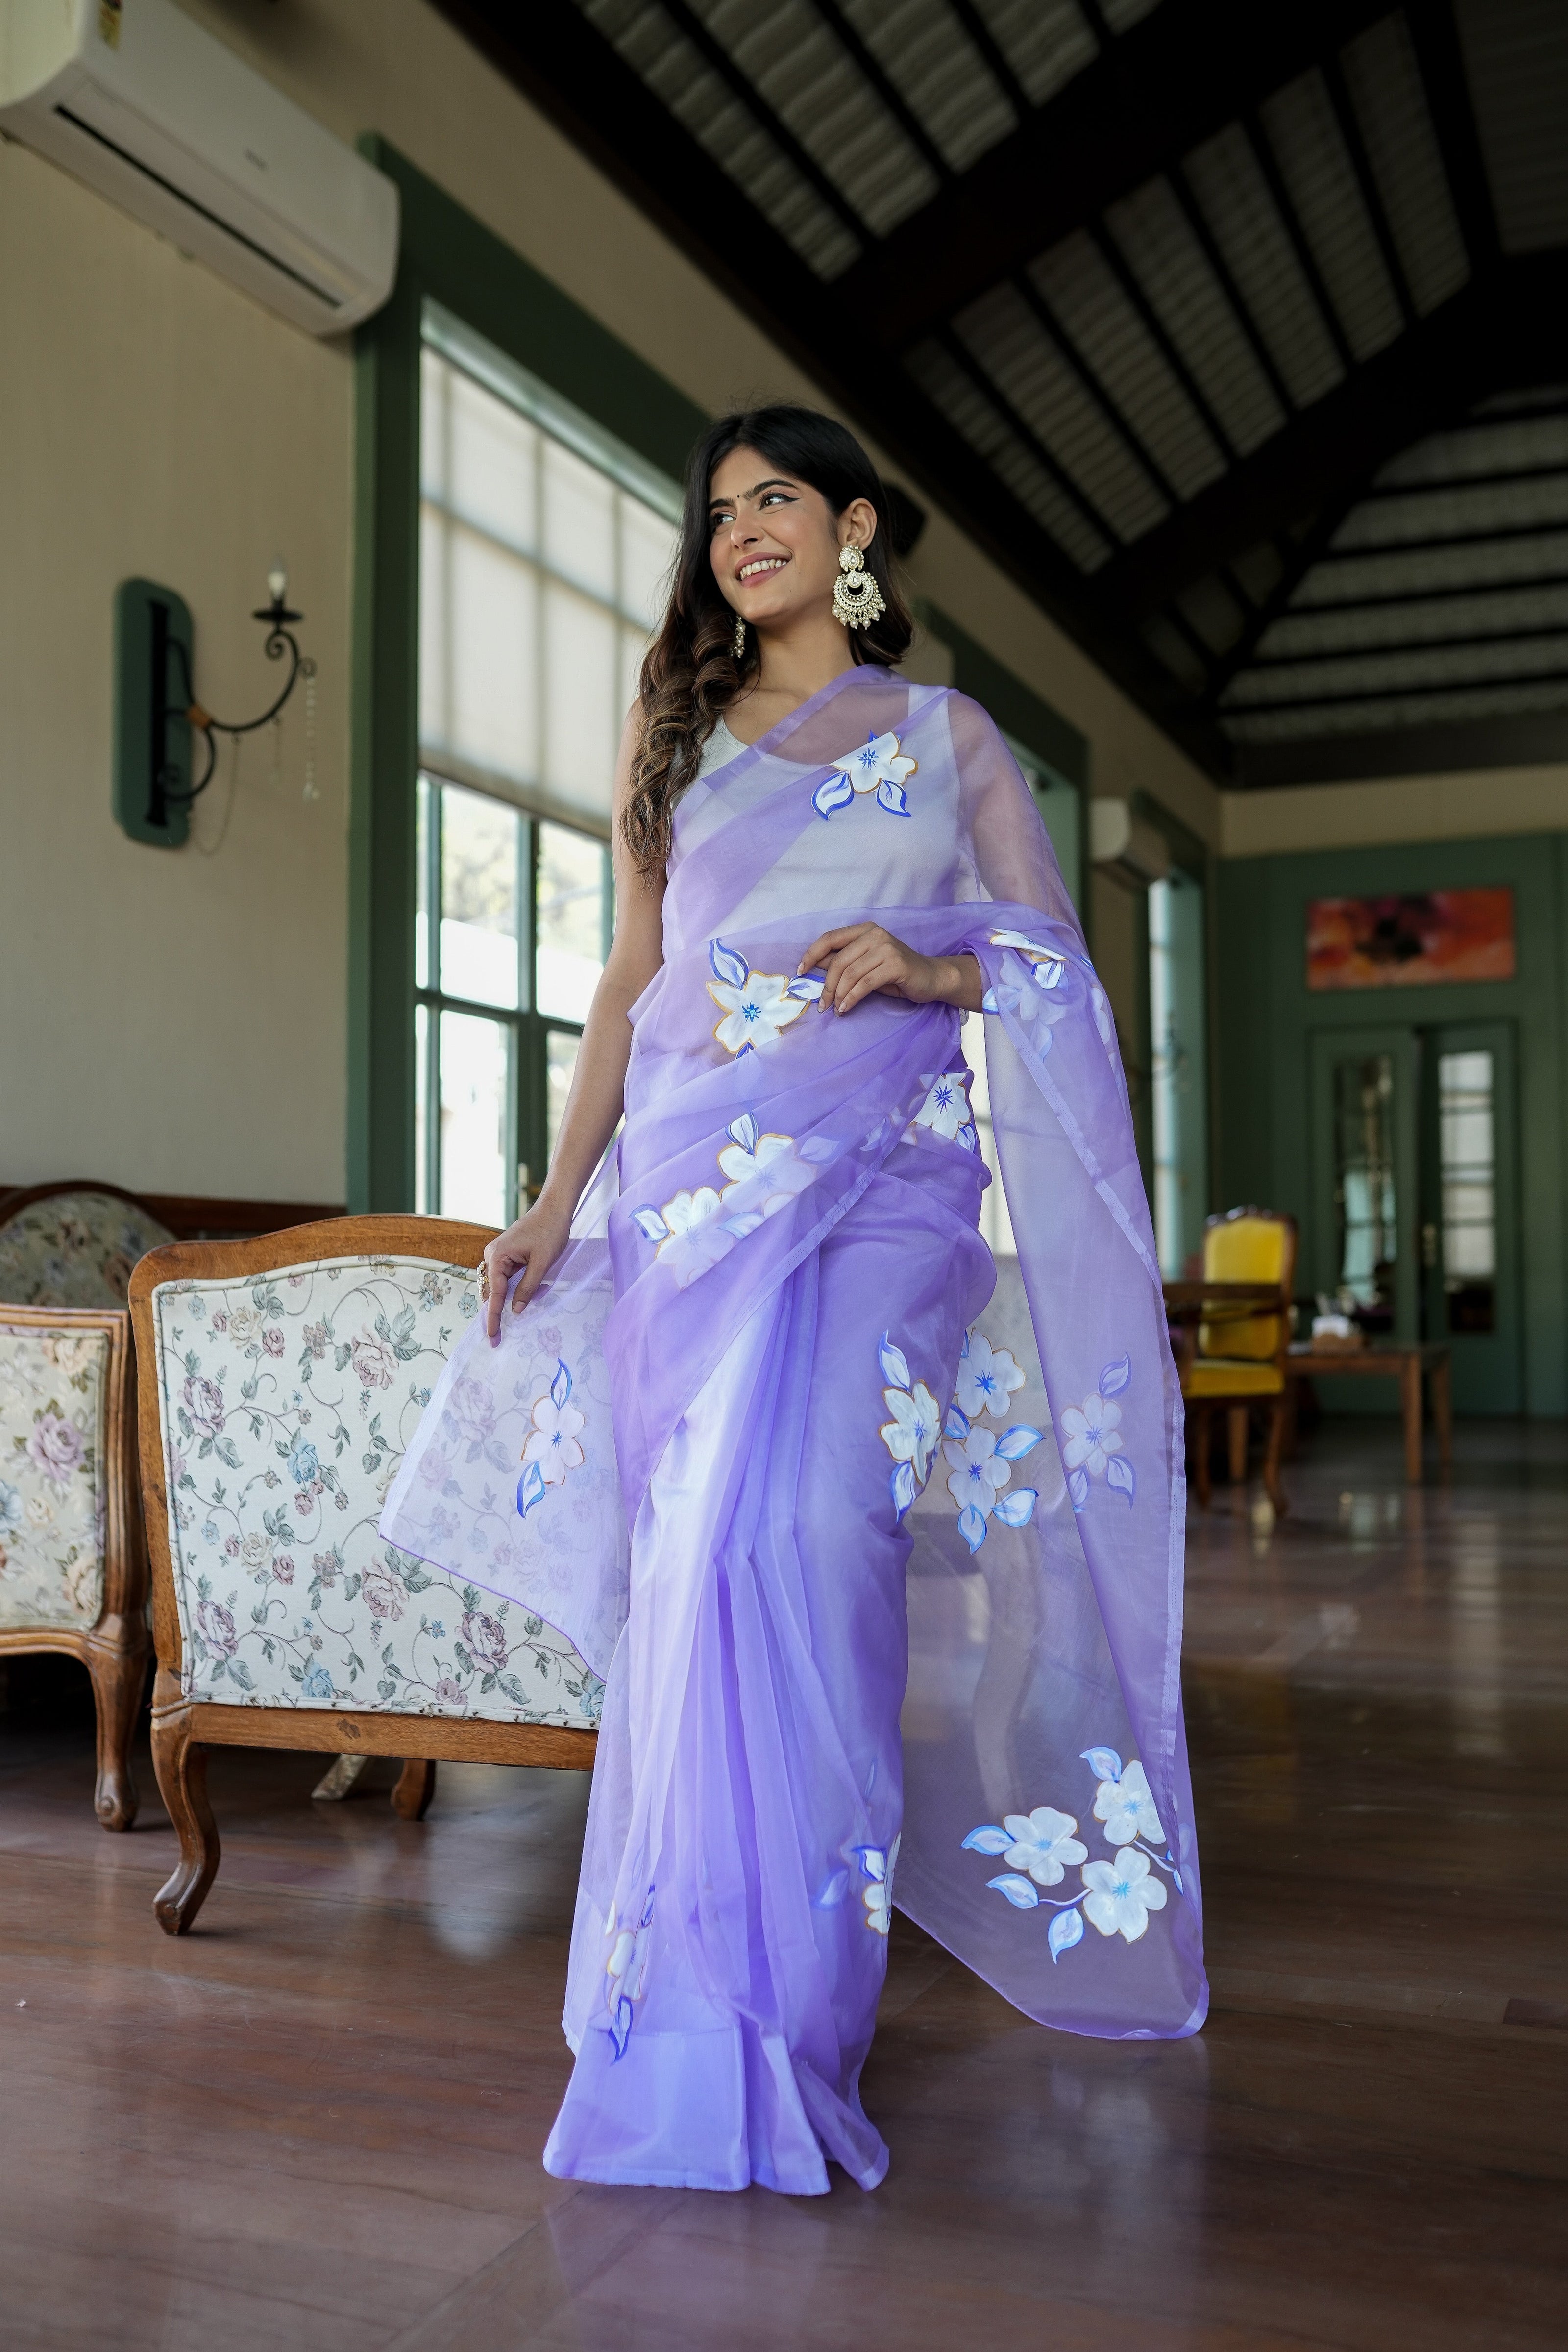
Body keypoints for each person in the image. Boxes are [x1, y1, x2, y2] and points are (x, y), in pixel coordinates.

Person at [381, 405, 1207, 2196]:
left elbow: (1051, 959)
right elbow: (629, 978)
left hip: (891, 1185)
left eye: (777, 499)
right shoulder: (671, 735)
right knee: (706, 1556)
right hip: (694, 1202)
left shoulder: (946, 737)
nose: (741, 530)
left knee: (822, 1532)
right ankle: (697, 2007)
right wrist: (556, 1197)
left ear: (855, 529)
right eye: (718, 511)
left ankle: (806, 2008)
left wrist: (927, 961)